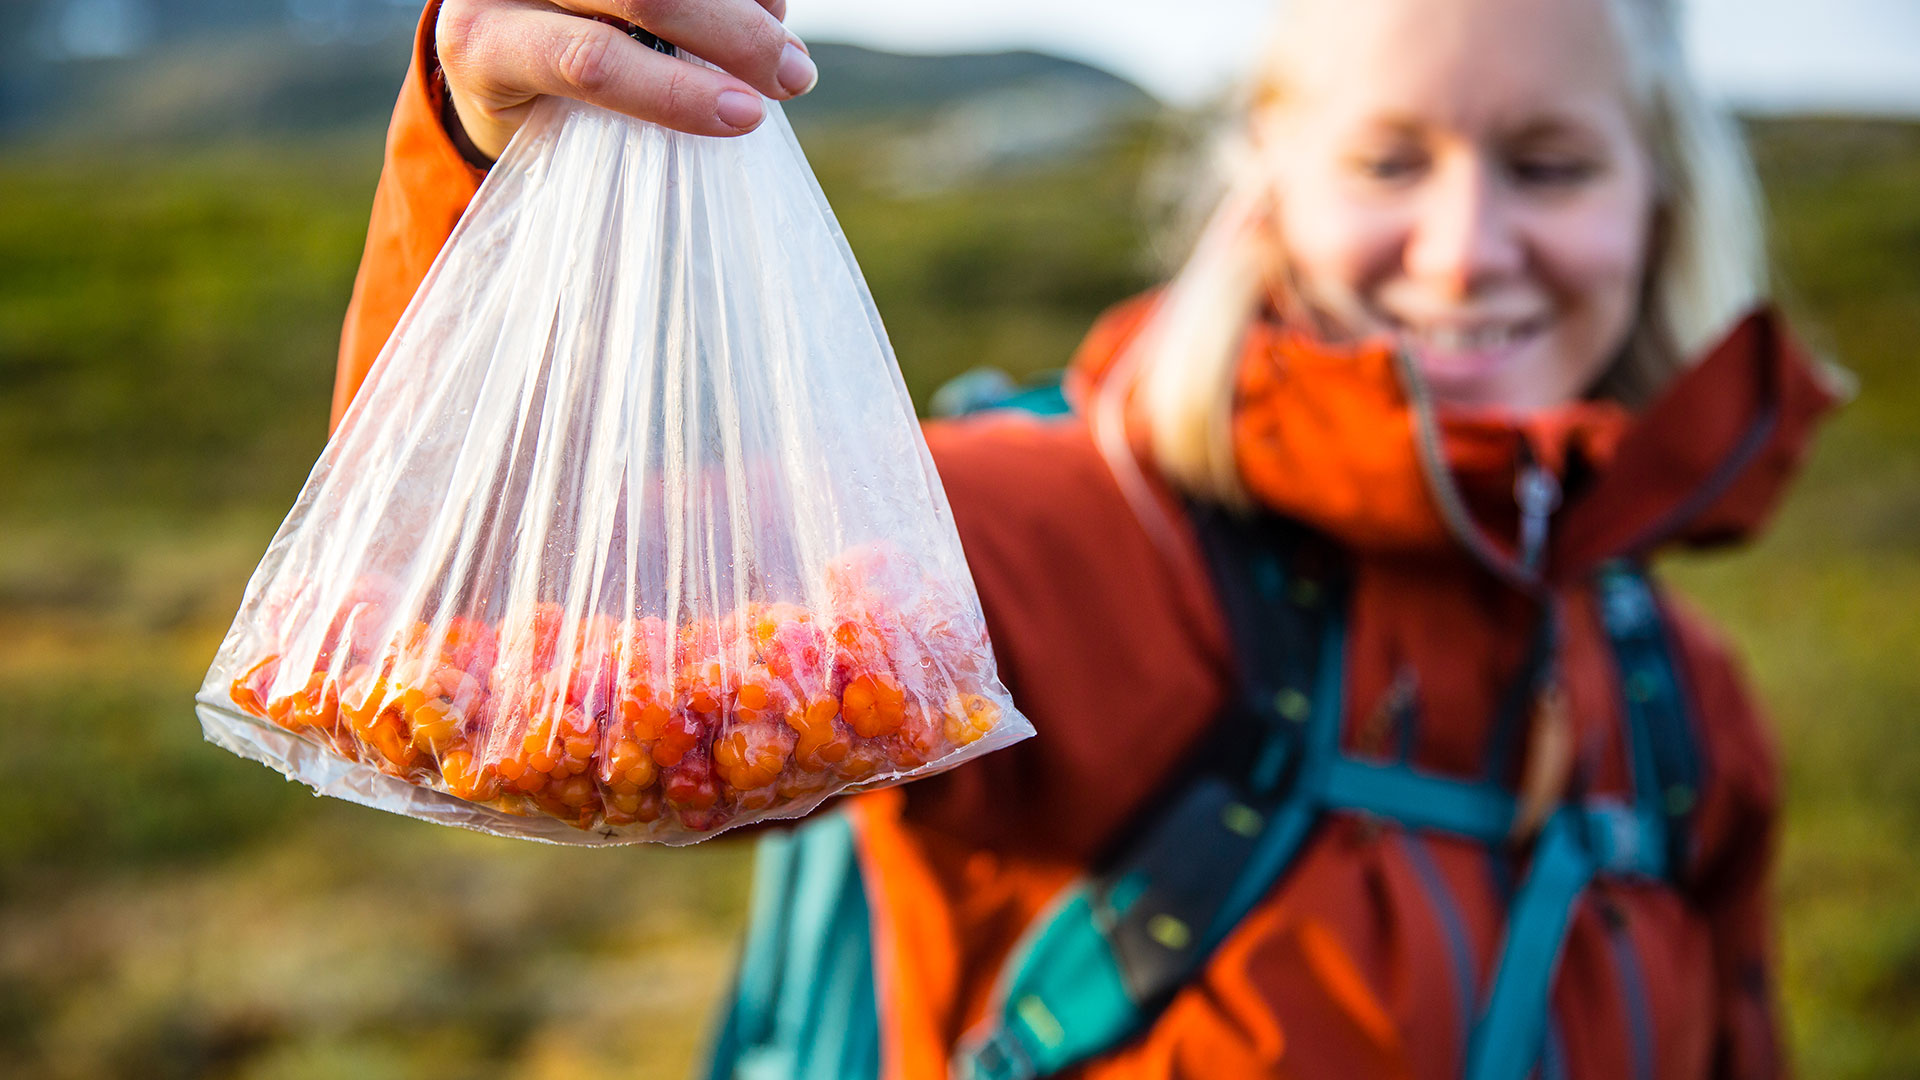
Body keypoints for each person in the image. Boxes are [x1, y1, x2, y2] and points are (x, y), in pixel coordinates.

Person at [331, 0, 1843, 1075]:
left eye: (1550, 164)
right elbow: (484, 602)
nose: (1464, 249)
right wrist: (486, 150)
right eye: (1389, 162)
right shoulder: (1069, 535)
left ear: (1663, 200)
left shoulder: (1685, 702)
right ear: (1269, 189)